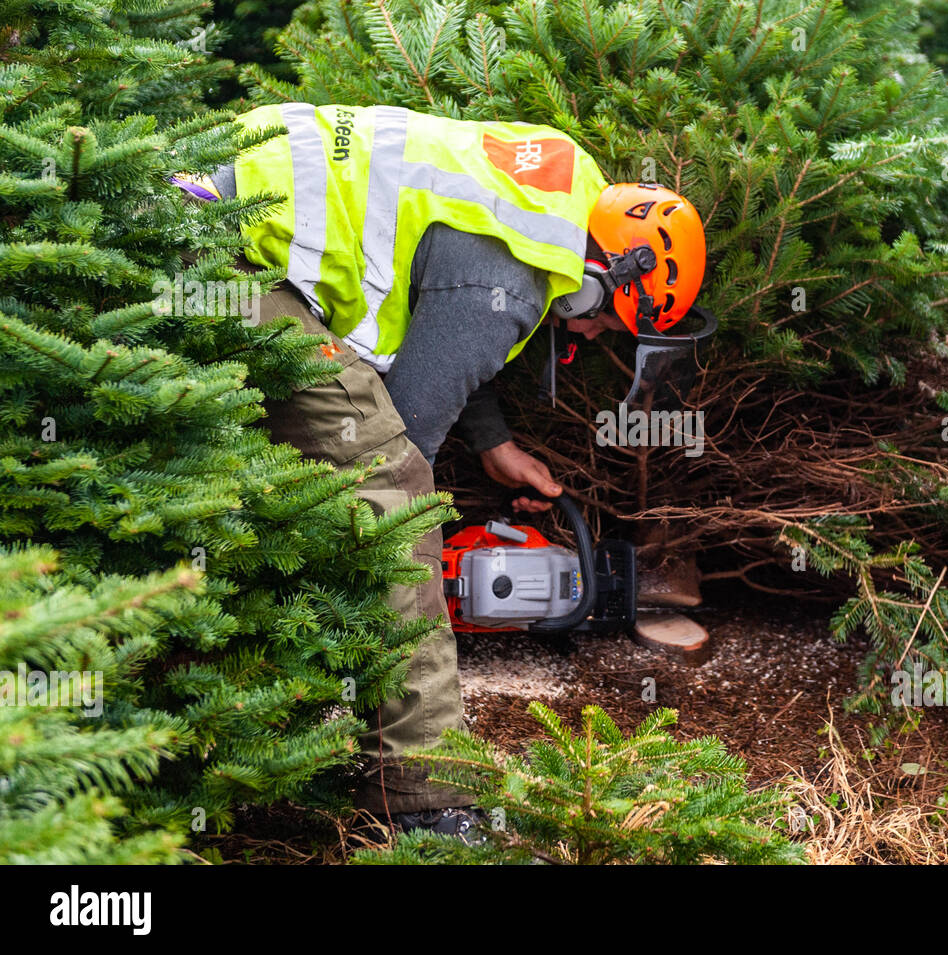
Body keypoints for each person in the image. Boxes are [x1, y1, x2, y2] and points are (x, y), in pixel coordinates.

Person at [176, 103, 708, 833]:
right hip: (225, 256)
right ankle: (424, 795)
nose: (589, 330)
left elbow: (453, 300)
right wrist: (426, 540)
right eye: (606, 318)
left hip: (219, 197)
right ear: (604, 274)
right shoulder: (522, 285)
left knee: (383, 471)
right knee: (394, 491)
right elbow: (405, 437)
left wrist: (492, 442)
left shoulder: (552, 199)